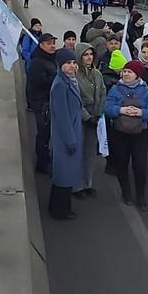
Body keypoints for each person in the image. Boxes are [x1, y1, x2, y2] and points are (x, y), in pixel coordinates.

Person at [104, 60, 148, 210]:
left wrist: (140, 113)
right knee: (121, 164)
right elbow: (107, 108)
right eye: (125, 71)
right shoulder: (115, 89)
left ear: (137, 75)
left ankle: (140, 196)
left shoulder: (147, 91)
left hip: (140, 133)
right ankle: (126, 192)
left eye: (130, 72)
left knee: (140, 166)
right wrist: (120, 110)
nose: (126, 74)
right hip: (120, 133)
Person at [47, 48, 84, 220]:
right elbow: (62, 117)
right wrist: (70, 140)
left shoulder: (70, 81)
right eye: (68, 63)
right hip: (65, 138)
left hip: (71, 134)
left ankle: (63, 207)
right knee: (63, 175)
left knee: (66, 174)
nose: (72, 66)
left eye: (74, 63)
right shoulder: (60, 85)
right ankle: (59, 210)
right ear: (60, 65)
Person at [73, 42, 107, 199]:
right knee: (78, 152)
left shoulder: (97, 73)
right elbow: (75, 100)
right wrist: (87, 117)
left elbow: (102, 93)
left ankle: (88, 183)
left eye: (91, 54)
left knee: (90, 152)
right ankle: (77, 186)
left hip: (95, 116)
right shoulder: (74, 76)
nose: (88, 57)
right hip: (81, 118)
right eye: (85, 55)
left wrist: (99, 113)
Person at [27, 33, 59, 174]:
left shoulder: (50, 59)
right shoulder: (38, 62)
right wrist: (56, 78)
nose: (52, 46)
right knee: (43, 133)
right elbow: (39, 82)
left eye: (53, 43)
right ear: (41, 45)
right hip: (41, 103)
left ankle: (45, 157)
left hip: (49, 101)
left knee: (47, 132)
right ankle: (41, 163)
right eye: (48, 43)